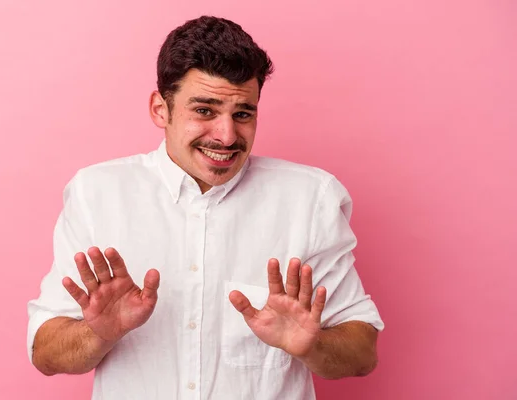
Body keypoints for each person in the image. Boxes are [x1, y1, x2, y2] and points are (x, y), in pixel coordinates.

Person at [27, 15, 384, 400]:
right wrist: (98, 333)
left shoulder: (310, 198)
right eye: (205, 110)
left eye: (243, 113)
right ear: (160, 109)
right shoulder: (96, 193)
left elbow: (362, 354)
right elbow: (45, 353)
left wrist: (311, 346)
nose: (227, 135)